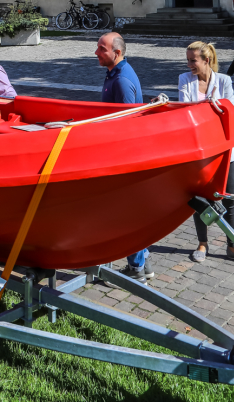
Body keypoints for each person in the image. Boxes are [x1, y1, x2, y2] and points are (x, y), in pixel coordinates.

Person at [179, 41, 234, 264]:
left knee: (229, 200)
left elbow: (231, 112)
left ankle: (233, 245)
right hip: (199, 153)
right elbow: (185, 114)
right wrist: (213, 108)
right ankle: (202, 243)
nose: (189, 65)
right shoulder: (185, 80)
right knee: (201, 199)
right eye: (187, 60)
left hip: (224, 151)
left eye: (193, 60)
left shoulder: (224, 81)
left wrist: (207, 107)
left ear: (206, 60)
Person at [96, 32, 153, 281]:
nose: (96, 53)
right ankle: (144, 263)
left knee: (126, 213)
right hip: (118, 152)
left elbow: (127, 123)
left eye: (101, 49)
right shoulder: (114, 73)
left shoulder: (121, 80)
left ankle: (136, 269)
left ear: (116, 53)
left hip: (122, 156)